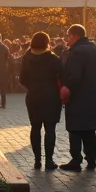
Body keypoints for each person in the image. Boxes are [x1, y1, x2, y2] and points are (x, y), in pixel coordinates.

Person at [59, 24, 96, 172]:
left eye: (68, 36)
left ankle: (76, 159)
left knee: (76, 128)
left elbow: (75, 75)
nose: (67, 39)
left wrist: (67, 88)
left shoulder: (77, 52)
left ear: (75, 36)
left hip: (79, 96)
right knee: (89, 128)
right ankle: (91, 158)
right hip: (94, 95)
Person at [19, 32, 63, 170]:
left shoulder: (27, 58)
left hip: (33, 97)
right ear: (47, 43)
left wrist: (32, 87)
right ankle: (49, 160)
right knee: (50, 129)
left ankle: (37, 160)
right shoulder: (53, 59)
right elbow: (62, 76)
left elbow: (22, 79)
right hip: (51, 97)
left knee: (35, 127)